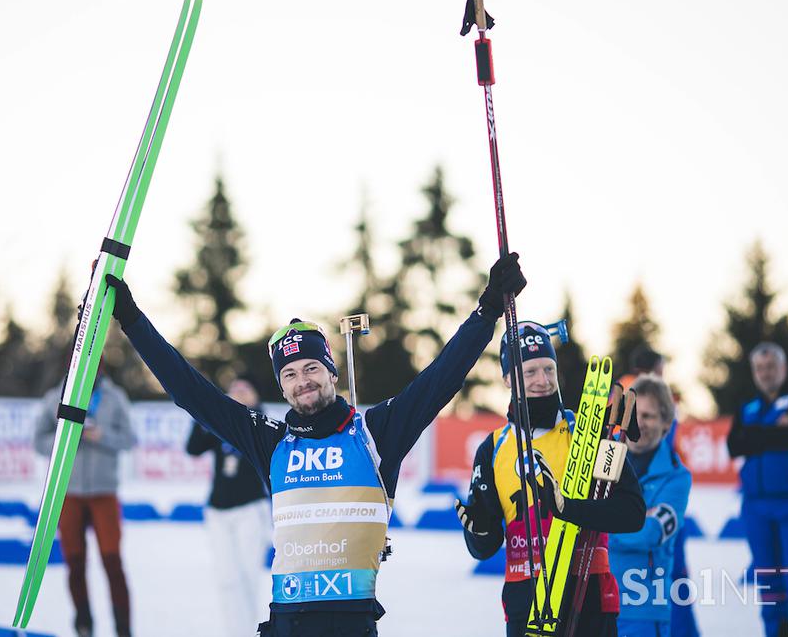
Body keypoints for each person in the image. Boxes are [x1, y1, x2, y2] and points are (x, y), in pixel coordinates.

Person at [102, 253, 525, 637]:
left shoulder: (375, 433)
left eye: (311, 368)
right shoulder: (270, 441)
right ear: (282, 387)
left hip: (352, 622)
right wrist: (133, 319)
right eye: (289, 374)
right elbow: (190, 391)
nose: (302, 380)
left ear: (331, 372)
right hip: (286, 619)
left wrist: (487, 309)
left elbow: (441, 377)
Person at [455, 320, 646, 637]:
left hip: (590, 602)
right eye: (529, 372)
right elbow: (485, 548)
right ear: (507, 379)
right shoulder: (494, 448)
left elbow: (632, 513)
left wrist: (567, 508)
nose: (542, 380)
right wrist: (478, 530)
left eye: (548, 369)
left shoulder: (587, 433)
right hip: (526, 608)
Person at [726, 342, 788, 637]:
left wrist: (755, 434)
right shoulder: (747, 407)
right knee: (769, 582)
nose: (765, 373)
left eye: (770, 367)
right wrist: (772, 431)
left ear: (783, 368)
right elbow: (734, 445)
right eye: (759, 368)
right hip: (755, 507)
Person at [35, 373, 137, 637]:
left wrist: (102, 436)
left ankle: (123, 630)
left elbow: (130, 439)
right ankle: (83, 626)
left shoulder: (115, 397)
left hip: (104, 492)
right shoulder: (54, 397)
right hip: (68, 491)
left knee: (112, 562)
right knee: (75, 562)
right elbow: (39, 441)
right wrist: (70, 437)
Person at [618, 345, 700, 637]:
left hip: (644, 610)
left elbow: (647, 534)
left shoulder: (676, 478)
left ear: (667, 423)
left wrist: (597, 523)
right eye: (635, 414)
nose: (640, 422)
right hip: (595, 607)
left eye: (650, 416)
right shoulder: (603, 462)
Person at [186, 375, 272, 634]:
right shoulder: (220, 425)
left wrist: (241, 410)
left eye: (245, 389)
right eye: (233, 389)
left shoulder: (262, 425)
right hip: (218, 510)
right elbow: (193, 448)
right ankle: (234, 631)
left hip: (250, 509)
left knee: (247, 576)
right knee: (227, 579)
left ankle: (247, 630)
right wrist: (203, 412)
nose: (238, 392)